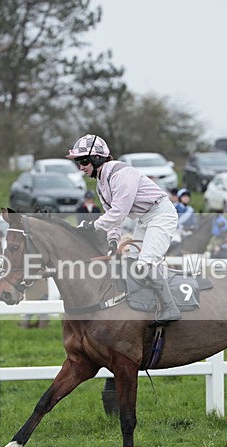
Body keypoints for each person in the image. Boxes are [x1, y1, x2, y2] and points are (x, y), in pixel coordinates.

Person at [66, 133, 181, 324]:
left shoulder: (121, 175)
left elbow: (119, 212)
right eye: (79, 162)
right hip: (145, 219)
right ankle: (148, 306)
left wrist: (92, 226)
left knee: (145, 264)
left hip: (162, 215)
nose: (81, 167)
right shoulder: (101, 184)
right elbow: (114, 219)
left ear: (96, 158)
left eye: (84, 161)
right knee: (132, 265)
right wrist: (113, 240)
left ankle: (171, 309)